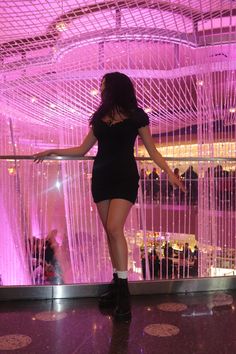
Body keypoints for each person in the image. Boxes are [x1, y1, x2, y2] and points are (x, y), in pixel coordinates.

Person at [33, 71, 185, 321]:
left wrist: (168, 172)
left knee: (115, 228)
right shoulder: (100, 118)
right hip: (101, 179)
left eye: (104, 86)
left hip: (125, 177)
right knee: (110, 231)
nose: (101, 89)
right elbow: (82, 150)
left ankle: (124, 293)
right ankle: (117, 284)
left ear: (115, 88)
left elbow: (153, 151)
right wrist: (52, 151)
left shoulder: (137, 116)